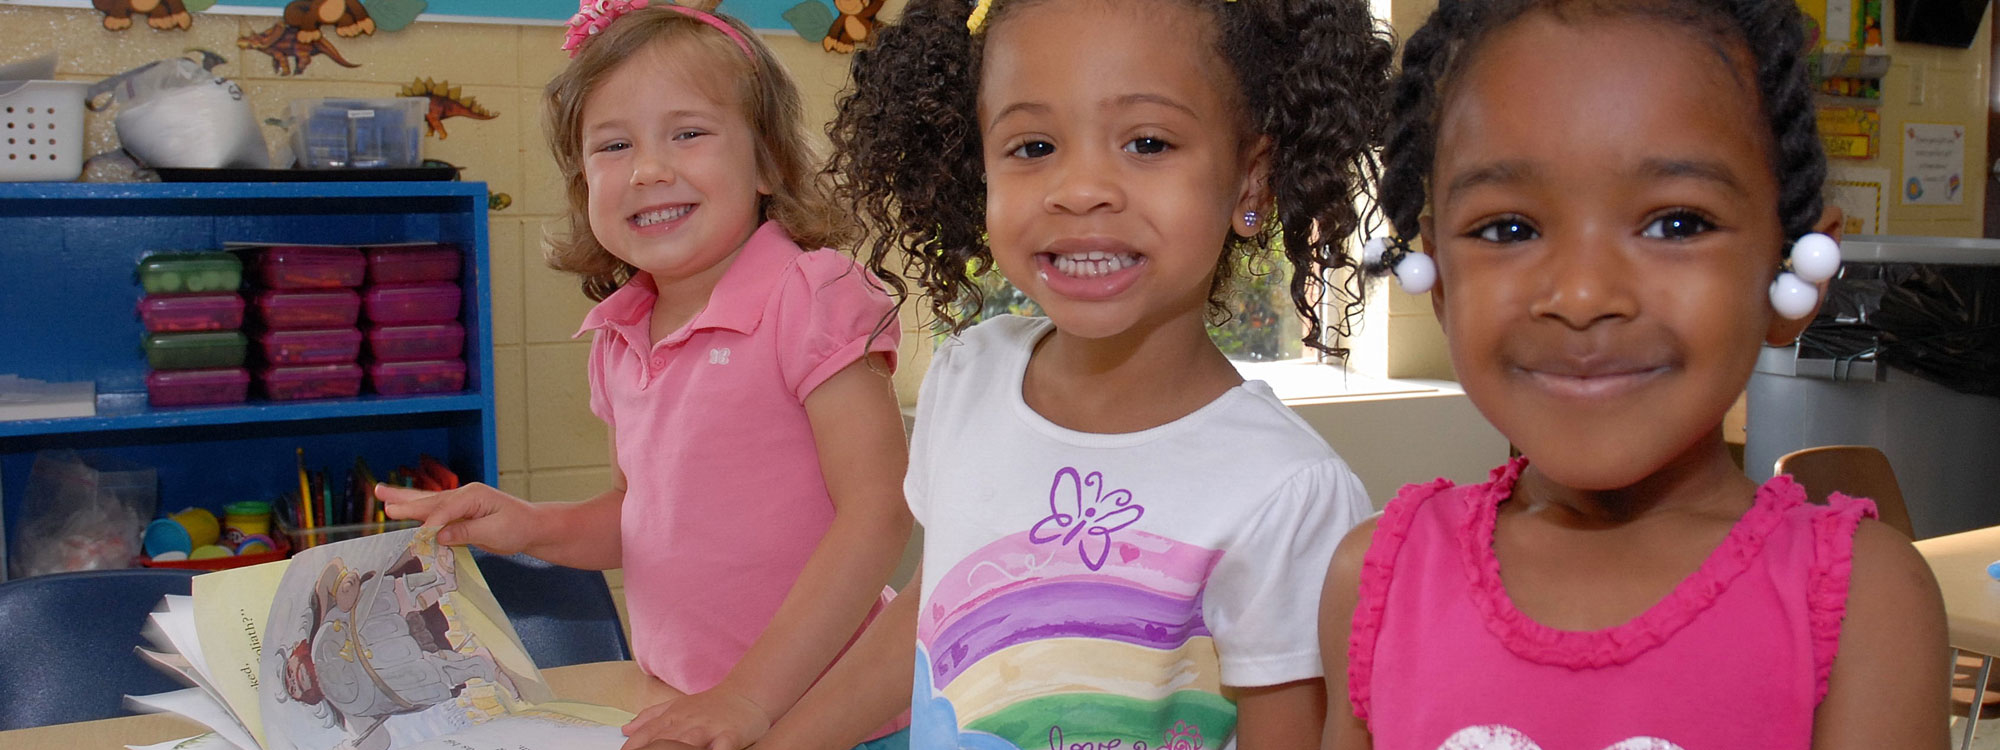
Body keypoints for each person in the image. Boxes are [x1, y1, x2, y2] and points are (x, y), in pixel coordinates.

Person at [756, 0, 1394, 746]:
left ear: (1251, 181)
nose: (1081, 188)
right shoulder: (967, 378)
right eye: (1032, 147)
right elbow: (936, 615)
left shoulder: (1287, 492)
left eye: (1148, 142)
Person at [1320, 1, 1950, 747]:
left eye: (1677, 224)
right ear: (1442, 280)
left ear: (1793, 269)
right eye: (1508, 229)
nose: (1584, 295)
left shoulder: (1863, 606)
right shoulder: (1379, 578)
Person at [379, 3, 914, 748]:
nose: (649, 170)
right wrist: (530, 525)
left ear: (768, 162)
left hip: (835, 721)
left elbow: (879, 512)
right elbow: (644, 517)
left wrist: (747, 697)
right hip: (687, 705)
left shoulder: (812, 294)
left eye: (688, 133)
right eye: (613, 145)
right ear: (582, 183)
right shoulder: (620, 334)